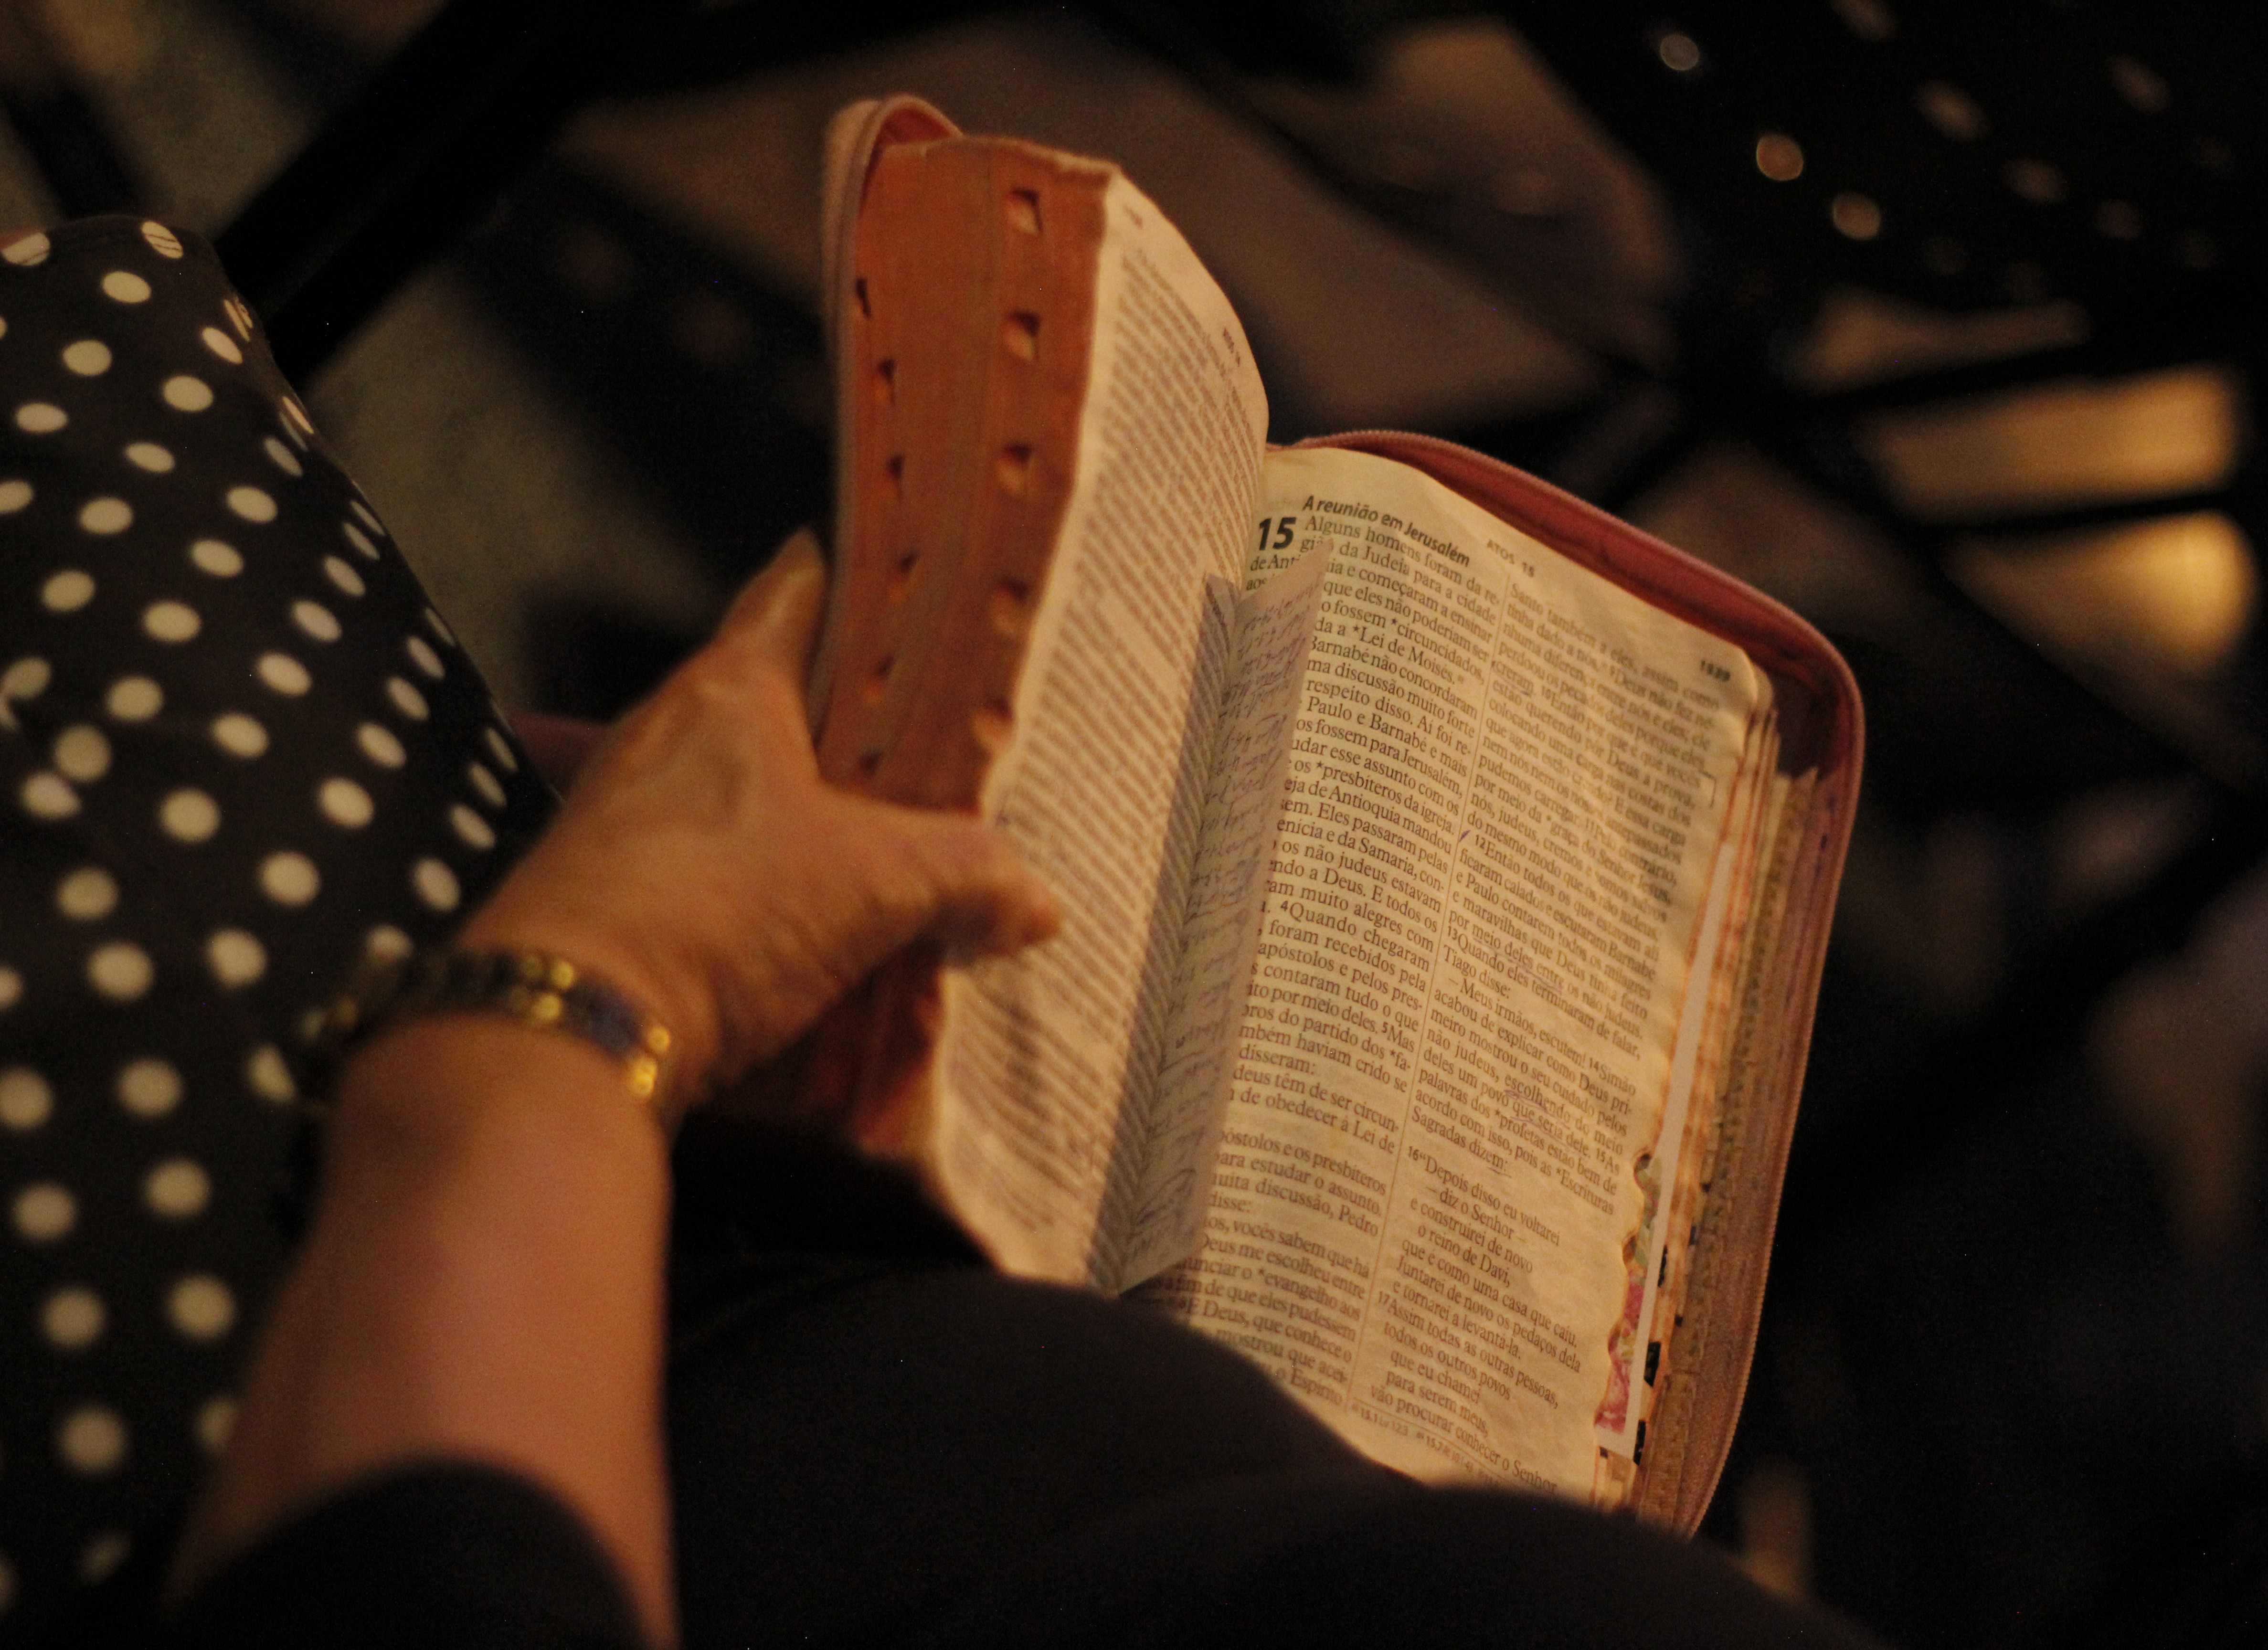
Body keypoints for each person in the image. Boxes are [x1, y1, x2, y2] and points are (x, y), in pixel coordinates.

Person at [1, 215, 1878, 1650]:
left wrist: (572, 995)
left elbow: (398, 1597)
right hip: (807, 1240)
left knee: (88, 402)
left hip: (409, 1335)